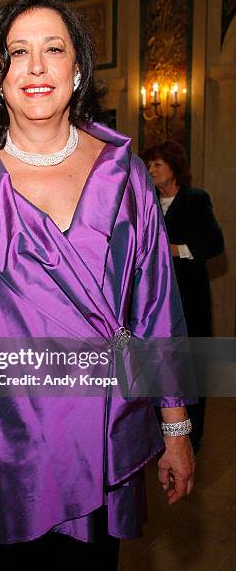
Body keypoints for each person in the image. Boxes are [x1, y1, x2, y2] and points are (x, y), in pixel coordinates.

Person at [0, 0, 196, 571]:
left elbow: (159, 309)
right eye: (17, 53)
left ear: (78, 69)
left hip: (100, 434)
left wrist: (176, 424)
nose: (36, 67)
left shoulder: (127, 176)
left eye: (53, 49)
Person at [143, 140, 224, 452]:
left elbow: (214, 244)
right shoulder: (145, 201)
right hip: (153, 300)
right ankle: (159, 434)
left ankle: (193, 435)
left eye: (157, 165)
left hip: (190, 297)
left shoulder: (196, 200)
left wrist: (177, 251)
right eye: (148, 165)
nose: (151, 171)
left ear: (174, 168)